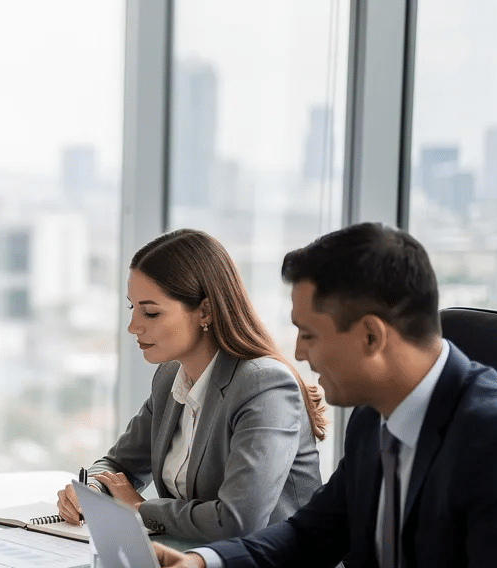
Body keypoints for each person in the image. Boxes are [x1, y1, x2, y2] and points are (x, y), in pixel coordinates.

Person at [155, 222, 497, 568]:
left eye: (309, 333)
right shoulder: (372, 418)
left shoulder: (496, 438)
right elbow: (312, 535)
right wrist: (202, 565)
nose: (299, 353)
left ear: (370, 336)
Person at [56, 229, 326, 542]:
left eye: (151, 312)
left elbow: (238, 521)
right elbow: (119, 465)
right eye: (133, 308)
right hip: (197, 564)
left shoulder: (264, 386)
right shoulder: (171, 377)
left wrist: (138, 508)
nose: (133, 327)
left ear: (205, 311)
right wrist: (91, 490)